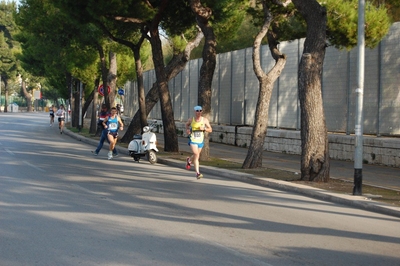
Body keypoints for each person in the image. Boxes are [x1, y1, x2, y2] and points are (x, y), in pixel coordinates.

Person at [185, 105, 212, 179]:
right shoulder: (191, 119)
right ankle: (198, 173)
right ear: (194, 112)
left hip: (200, 140)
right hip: (193, 140)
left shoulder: (205, 120)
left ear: (202, 112)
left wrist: (204, 129)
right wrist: (187, 130)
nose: (199, 112)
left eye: (200, 111)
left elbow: (210, 129)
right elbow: (186, 125)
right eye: (197, 111)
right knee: (197, 155)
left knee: (196, 155)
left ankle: (189, 160)